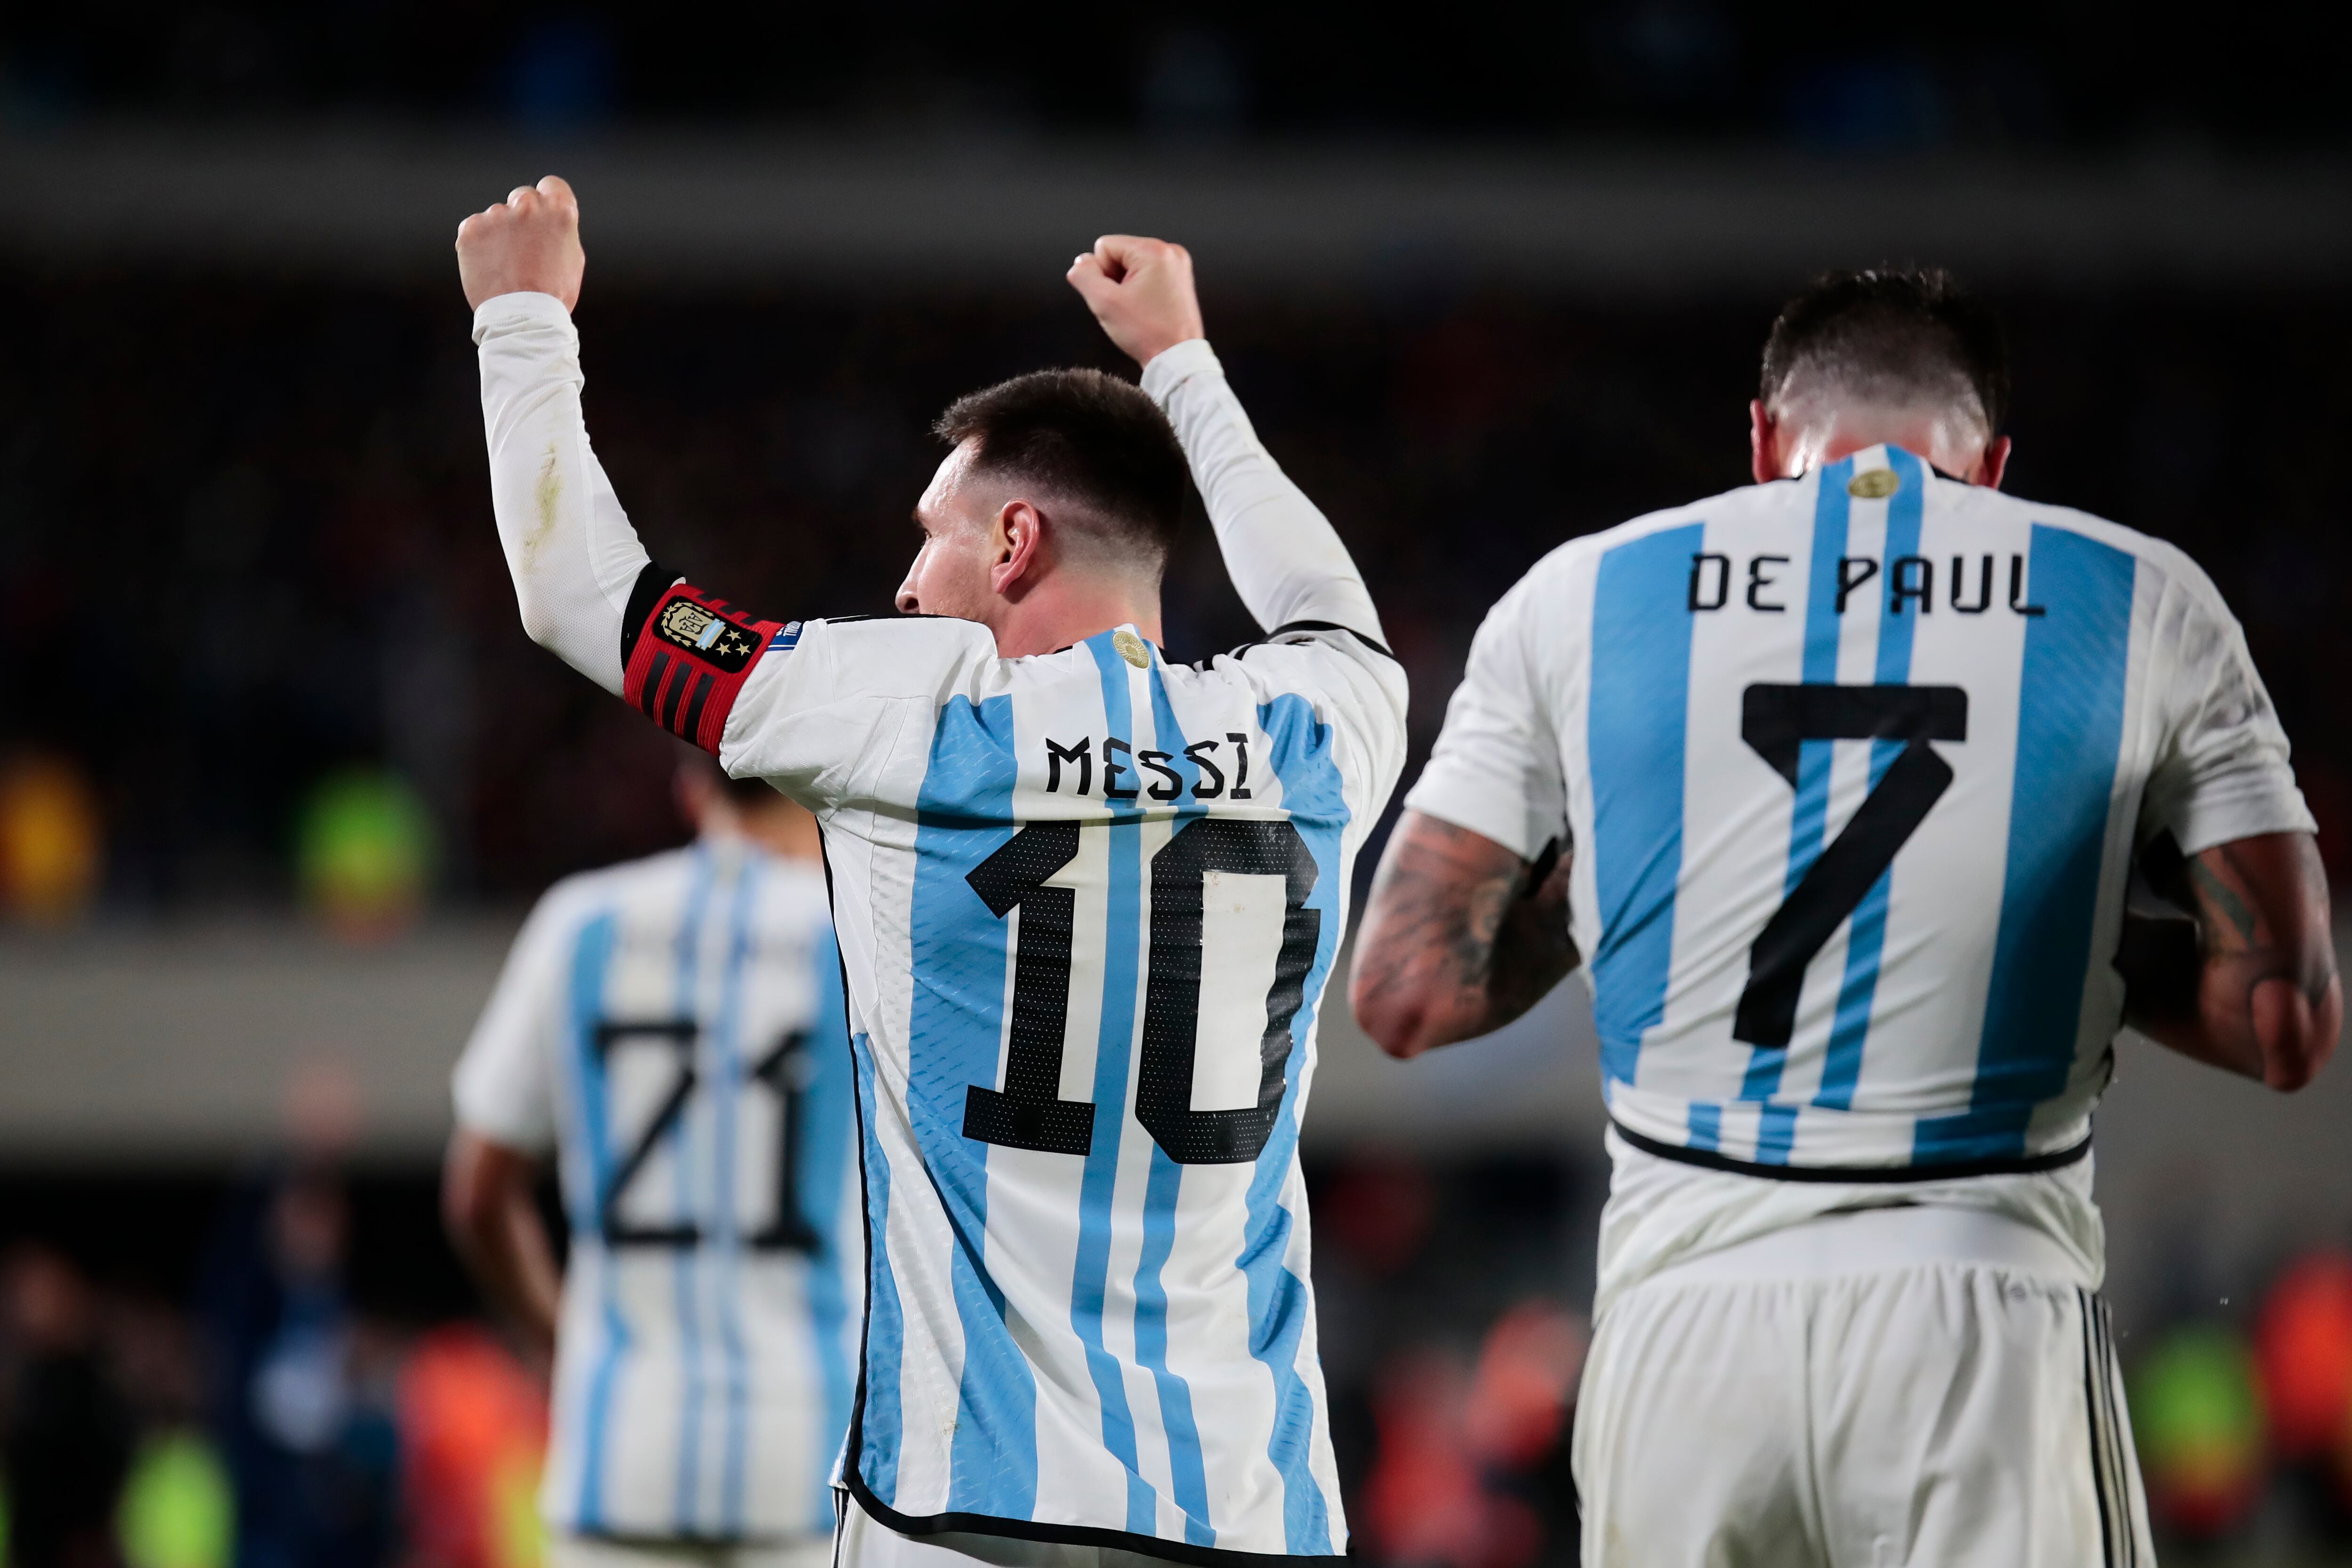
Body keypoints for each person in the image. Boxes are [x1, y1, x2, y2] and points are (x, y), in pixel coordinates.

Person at [454, 178, 1406, 1567]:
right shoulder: (1314, 731)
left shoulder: (915, 718)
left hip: (964, 1509)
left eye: (933, 533)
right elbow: (1326, 603)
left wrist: (522, 319)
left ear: (1015, 543)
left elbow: (578, 593)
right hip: (1240, 1509)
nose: (905, 583)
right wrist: (1184, 367)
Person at [1350, 267, 2339, 1566]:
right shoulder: (2143, 598)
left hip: (1683, 1311)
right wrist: (2078, 936)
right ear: (1991, 466)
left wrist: (1610, 901)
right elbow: (2282, 1020)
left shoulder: (1575, 596)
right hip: (1982, 1301)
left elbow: (1406, 992)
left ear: (1761, 440)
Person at [443, 756, 856, 1568]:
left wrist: (561, 1338)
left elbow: (478, 1193)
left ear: (691, 786)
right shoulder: (862, 937)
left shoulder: (581, 922)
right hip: (809, 1452)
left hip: (621, 1441)